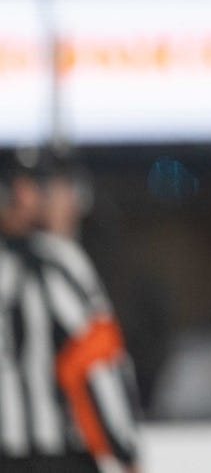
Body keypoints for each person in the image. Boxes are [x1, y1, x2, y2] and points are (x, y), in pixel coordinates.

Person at [0, 149, 143, 472]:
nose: (73, 204)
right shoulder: (56, 260)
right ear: (25, 194)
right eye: (61, 190)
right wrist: (124, 449)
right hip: (53, 457)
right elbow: (95, 362)